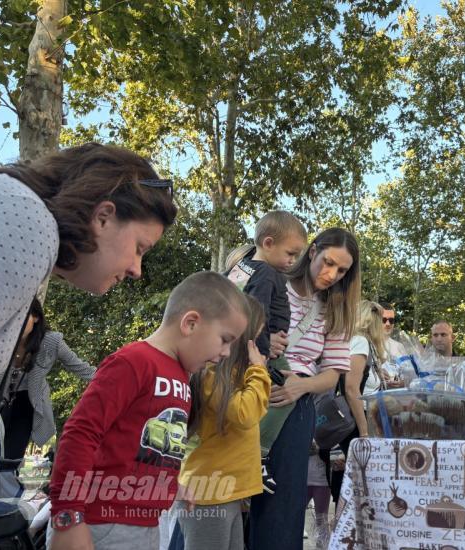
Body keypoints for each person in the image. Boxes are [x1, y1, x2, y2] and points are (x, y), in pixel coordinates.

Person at [0, 143, 176, 550]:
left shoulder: (15, 215)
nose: (136, 269)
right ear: (104, 216)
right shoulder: (28, 225)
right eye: (140, 248)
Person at [48, 272, 249, 550]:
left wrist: (170, 484)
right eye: (225, 339)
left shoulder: (181, 376)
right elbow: (80, 433)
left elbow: (148, 447)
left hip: (144, 524)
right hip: (102, 522)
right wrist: (67, 515)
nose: (227, 352)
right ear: (191, 323)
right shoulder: (134, 362)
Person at [248, 227, 360, 550]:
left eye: (342, 270)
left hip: (294, 412)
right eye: (328, 262)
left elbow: (334, 375)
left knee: (280, 514)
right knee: (221, 503)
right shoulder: (270, 280)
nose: (332, 274)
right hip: (247, 401)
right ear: (312, 251)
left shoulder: (336, 308)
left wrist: (301, 387)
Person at [175, 294, 271, 550]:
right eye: (256, 335)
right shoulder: (211, 377)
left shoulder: (234, 376)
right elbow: (245, 414)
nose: (258, 343)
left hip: (226, 492)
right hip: (207, 493)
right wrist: (259, 371)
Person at [224, 210, 307, 492]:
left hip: (240, 345)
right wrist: (258, 356)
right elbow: (255, 313)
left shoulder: (242, 267)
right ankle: (256, 455)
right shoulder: (268, 273)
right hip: (258, 348)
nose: (293, 261)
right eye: (291, 253)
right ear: (268, 243)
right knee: (285, 391)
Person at [0, 298, 95, 461]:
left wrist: (112, 379)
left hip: (27, 402)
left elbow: (78, 366)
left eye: (23, 315)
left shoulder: (51, 341)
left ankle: (6, 483)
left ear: (36, 317)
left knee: (11, 456)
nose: (17, 321)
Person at [329, 300, 387, 505]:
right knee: (355, 489)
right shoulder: (361, 342)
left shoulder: (358, 341)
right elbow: (351, 389)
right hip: (355, 423)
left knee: (352, 487)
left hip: (355, 422)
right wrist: (364, 431)